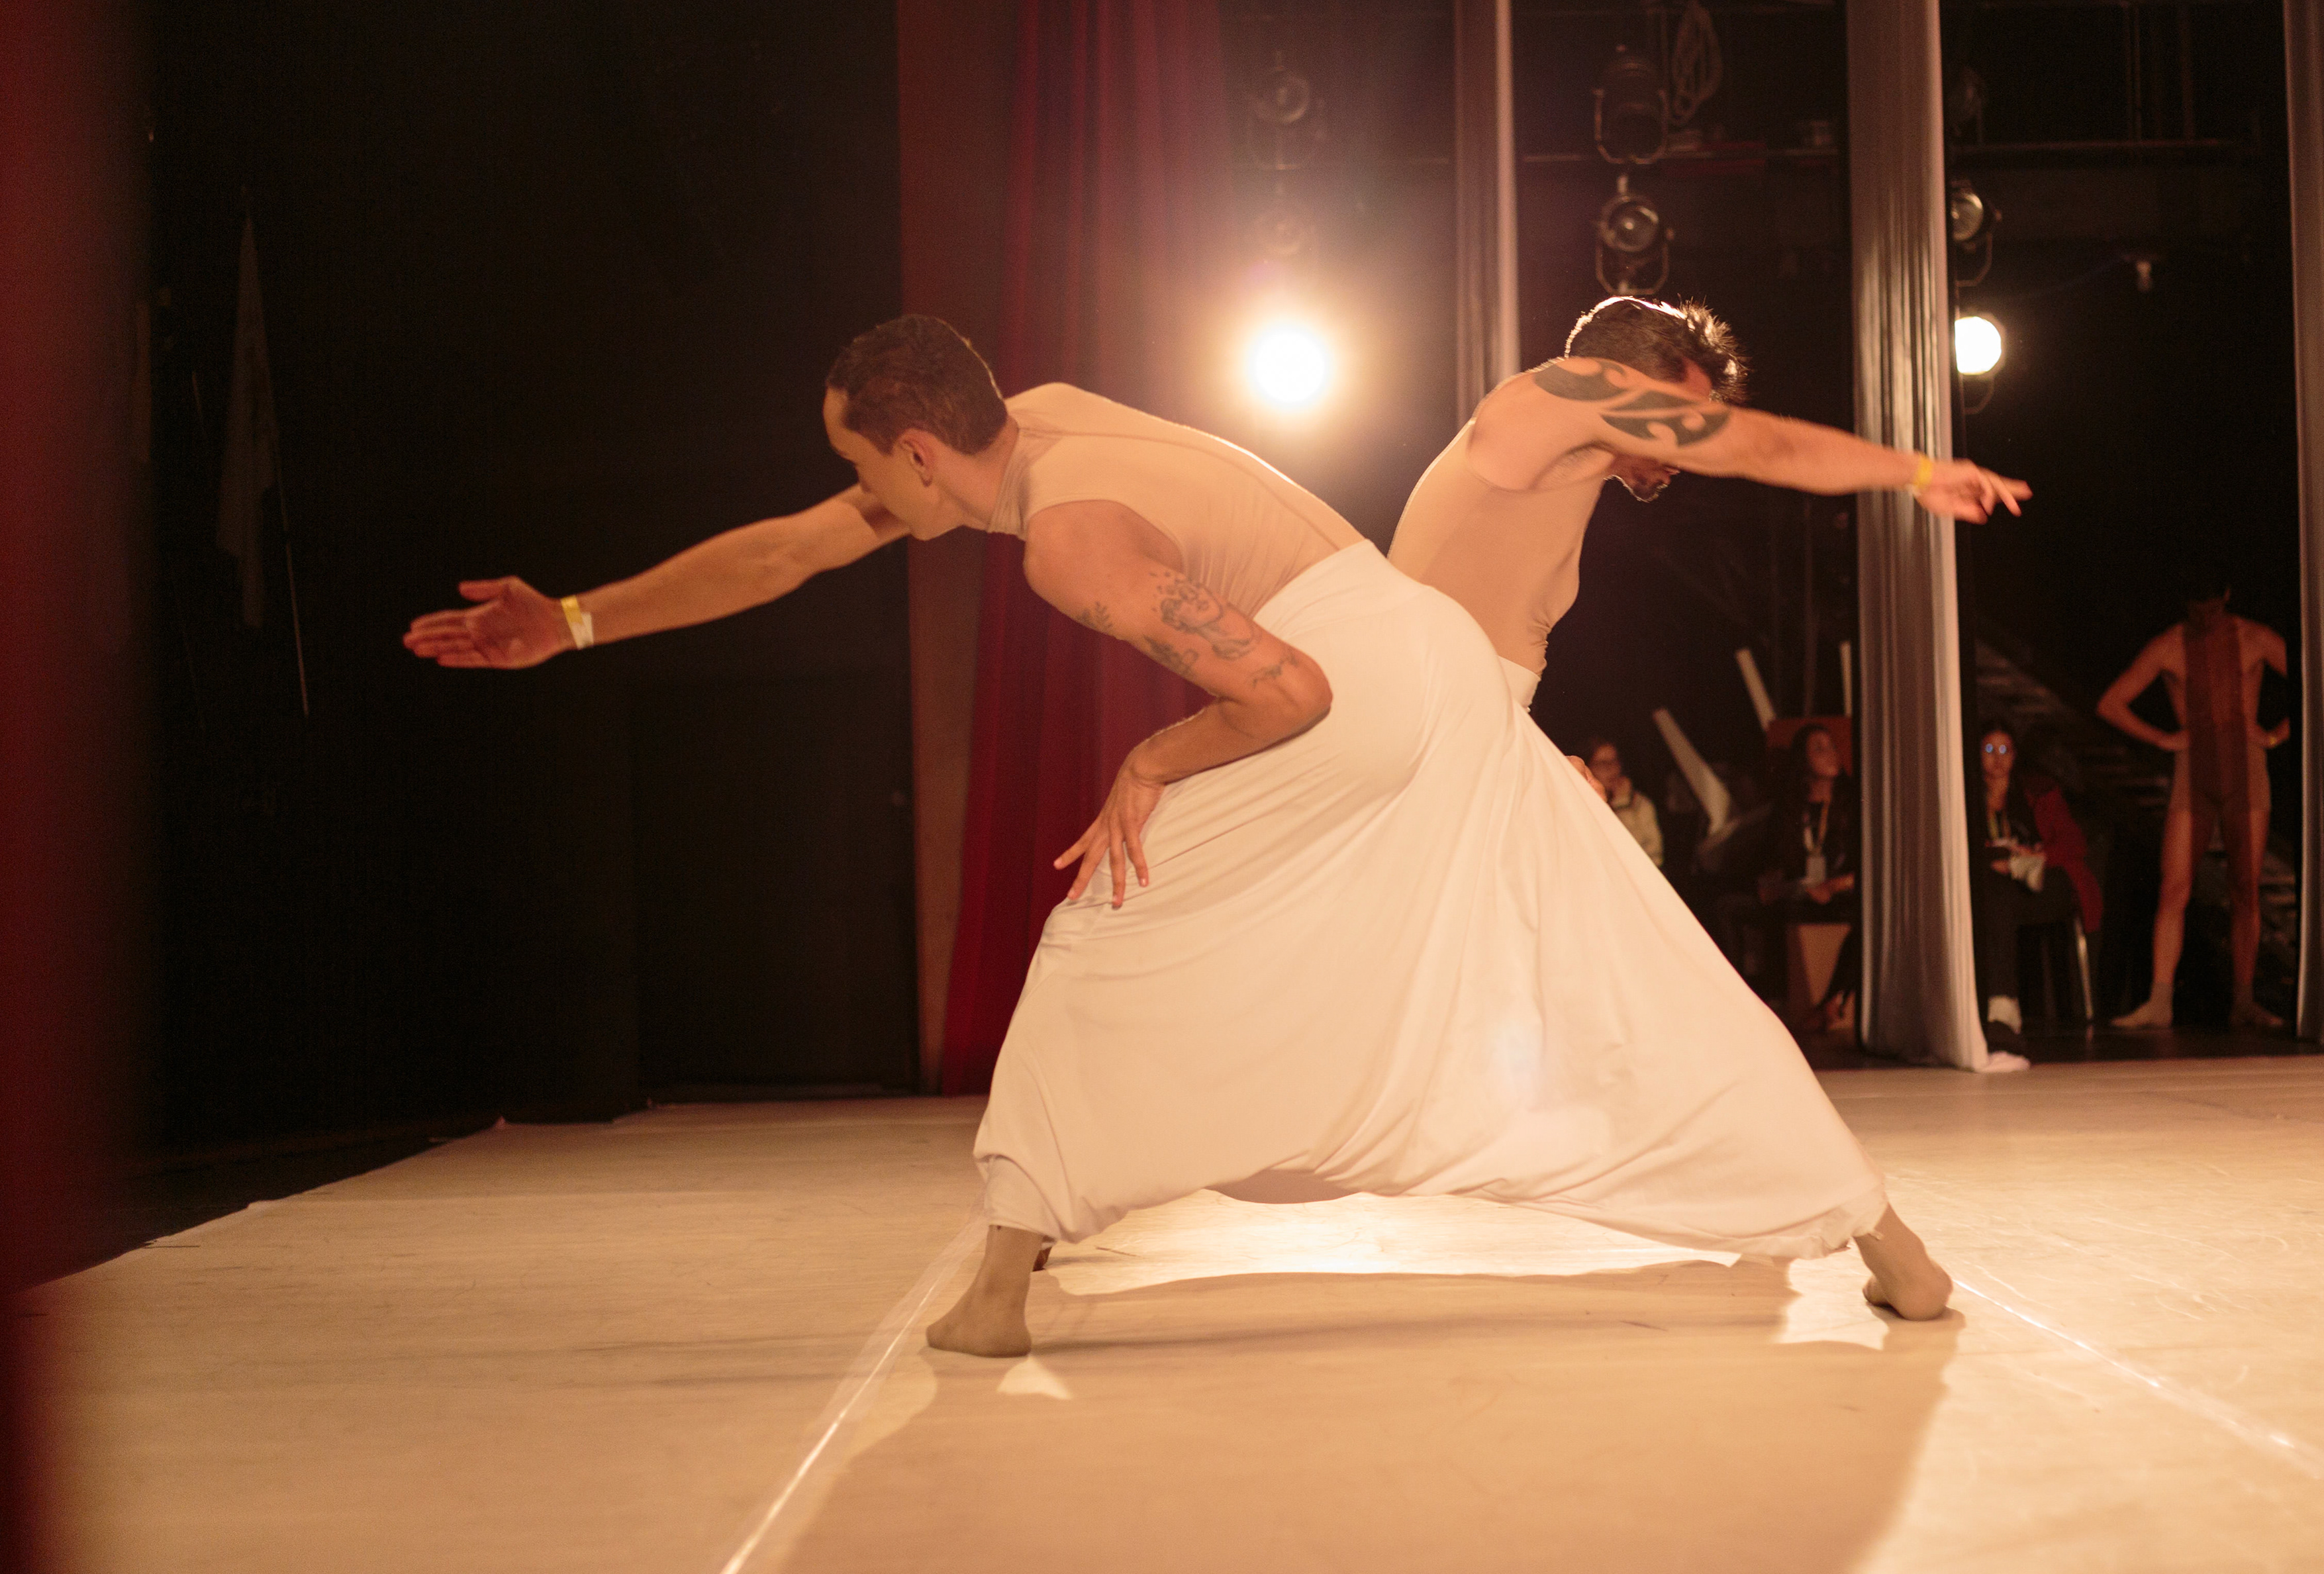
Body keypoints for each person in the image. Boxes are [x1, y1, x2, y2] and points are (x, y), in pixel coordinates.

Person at [405, 315, 1955, 1356]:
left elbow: (1285, 687)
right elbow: (787, 554)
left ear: (922, 455)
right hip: (1433, 669)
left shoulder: (1069, 540)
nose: (853, 495)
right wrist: (576, 620)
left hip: (1361, 683)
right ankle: (1888, 1242)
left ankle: (1001, 1286)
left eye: (862, 467)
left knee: (1108, 927)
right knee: (1624, 955)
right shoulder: (1044, 424)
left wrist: (1152, 752)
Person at [1388, 295, 2030, 711]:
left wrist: (1534, 757)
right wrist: (1919, 473)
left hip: (1453, 731)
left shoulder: (1565, 472)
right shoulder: (1560, 392)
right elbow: (1766, 448)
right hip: (1414, 716)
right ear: (1625, 381)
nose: (1688, 446)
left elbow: (1486, 669)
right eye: (1682, 415)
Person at [2094, 567, 2289, 1031]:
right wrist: (2161, 739)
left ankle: (2244, 1000)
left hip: (2245, 769)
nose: (2207, 619)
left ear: (2227, 597)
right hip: (2193, 771)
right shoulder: (2169, 645)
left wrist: (2276, 736)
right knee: (2175, 887)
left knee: (2245, 886)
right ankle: (2160, 1000)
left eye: (2214, 609)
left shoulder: (2255, 638)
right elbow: (2110, 703)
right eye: (2198, 611)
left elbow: (2320, 679)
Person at [1966, 720, 2103, 1058]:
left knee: (2004, 890)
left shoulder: (2038, 792)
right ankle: (2003, 1003)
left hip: (2042, 886)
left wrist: (2037, 854)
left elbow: (2074, 844)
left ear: (2015, 755)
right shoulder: (1965, 796)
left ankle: (2002, 1002)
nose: (1998, 759)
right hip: (1994, 888)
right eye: (1989, 750)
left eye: (2005, 750)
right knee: (1994, 887)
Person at [1759, 723, 1861, 1034]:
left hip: (1843, 892)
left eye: (1832, 747)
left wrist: (1833, 885)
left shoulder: (1853, 804)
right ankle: (1769, 1007)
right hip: (1801, 893)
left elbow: (1869, 864)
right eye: (1819, 748)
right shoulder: (1790, 808)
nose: (1830, 754)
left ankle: (1832, 1001)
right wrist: (1774, 883)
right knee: (1743, 907)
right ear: (1803, 760)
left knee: (1868, 918)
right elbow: (1773, 860)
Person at [1581, 737, 1664, 867]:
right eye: (1602, 764)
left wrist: (1623, 806)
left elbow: (1654, 856)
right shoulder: (1582, 805)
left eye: (1614, 761)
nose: (1611, 769)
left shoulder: (1639, 803)